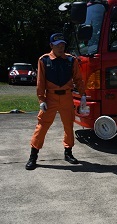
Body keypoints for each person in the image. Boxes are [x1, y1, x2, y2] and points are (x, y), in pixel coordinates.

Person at [25, 33, 86, 170]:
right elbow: (40, 81)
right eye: (58, 45)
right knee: (42, 126)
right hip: (50, 98)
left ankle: (68, 152)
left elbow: (78, 79)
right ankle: (33, 155)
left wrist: (82, 95)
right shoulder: (44, 60)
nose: (61, 47)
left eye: (63, 45)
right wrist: (41, 99)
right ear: (51, 45)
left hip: (66, 97)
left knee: (68, 126)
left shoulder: (71, 60)